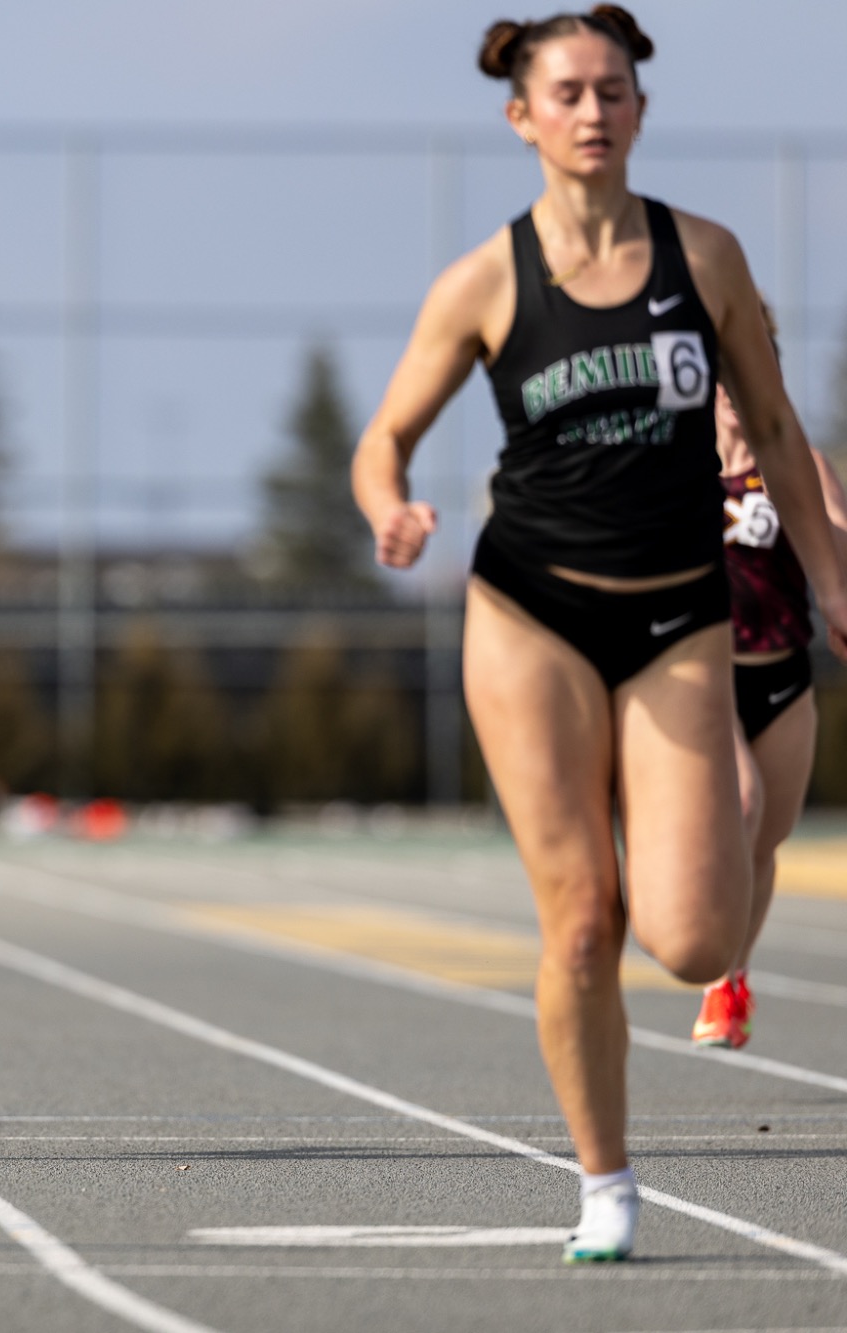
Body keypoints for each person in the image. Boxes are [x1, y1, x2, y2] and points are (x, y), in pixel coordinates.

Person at [350, 7, 847, 1264]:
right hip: (531, 610)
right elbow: (382, 439)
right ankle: (604, 1185)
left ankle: (657, 812)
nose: (590, 110)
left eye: (611, 90)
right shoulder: (483, 279)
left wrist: (831, 584)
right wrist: (388, 509)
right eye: (564, 92)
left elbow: (778, 437)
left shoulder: (705, 257)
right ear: (521, 116)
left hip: (681, 610)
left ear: (637, 109)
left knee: (690, 935)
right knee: (578, 922)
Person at [692, 315, 847, 1049]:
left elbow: (839, 540)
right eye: (721, 377)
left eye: (746, 375)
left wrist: (812, 514)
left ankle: (732, 979)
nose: (732, 391)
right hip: (709, 676)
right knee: (743, 804)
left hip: (784, 673)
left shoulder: (800, 466)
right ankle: (706, 948)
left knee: (767, 841)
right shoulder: (682, 469)